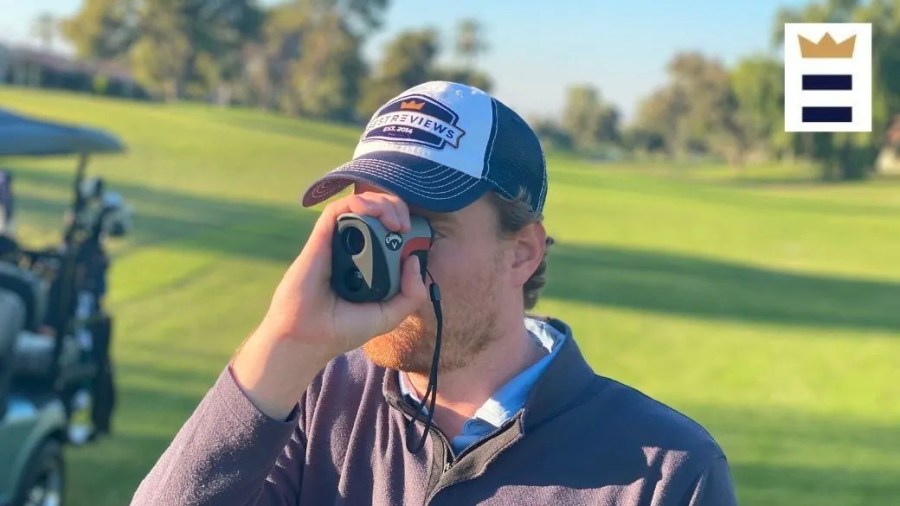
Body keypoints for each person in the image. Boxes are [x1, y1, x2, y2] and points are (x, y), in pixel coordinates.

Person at [132, 81, 737, 505]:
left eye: (425, 229)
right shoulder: (313, 402)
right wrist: (284, 343)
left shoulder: (664, 475)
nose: (396, 267)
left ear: (522, 251)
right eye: (371, 225)